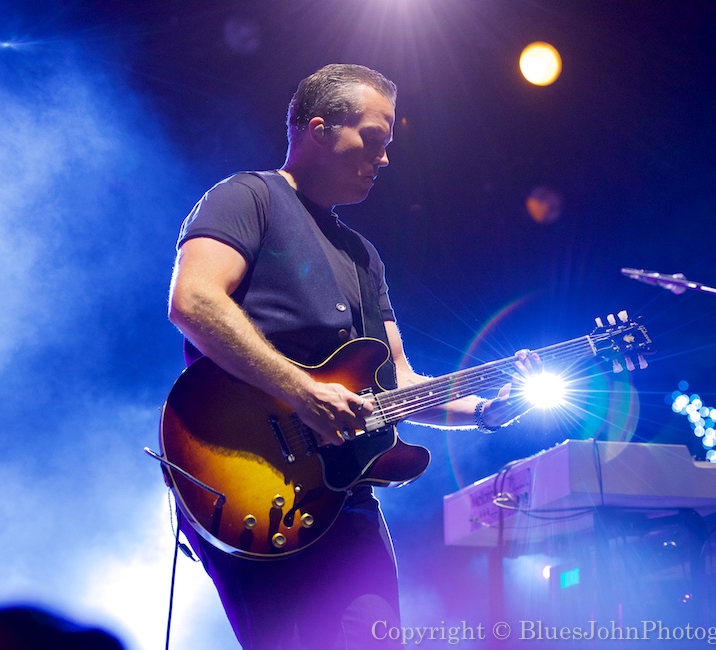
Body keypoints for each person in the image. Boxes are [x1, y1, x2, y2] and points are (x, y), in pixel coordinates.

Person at [167, 63, 536, 649]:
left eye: (388, 146)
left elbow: (401, 384)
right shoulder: (248, 197)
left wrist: (488, 410)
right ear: (318, 129)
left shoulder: (363, 257)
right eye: (373, 140)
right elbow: (193, 300)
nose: (384, 159)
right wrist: (302, 391)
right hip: (247, 478)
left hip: (345, 493)